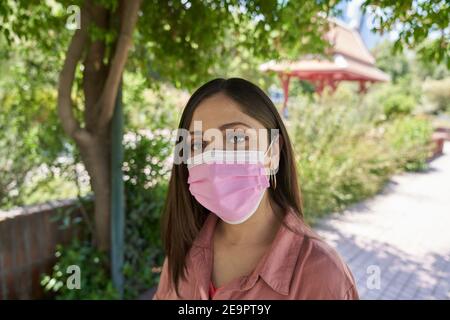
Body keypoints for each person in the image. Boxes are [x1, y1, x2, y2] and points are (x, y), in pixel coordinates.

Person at [153, 78, 359, 300]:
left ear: (273, 152)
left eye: (237, 138)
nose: (213, 159)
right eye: (197, 145)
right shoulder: (182, 252)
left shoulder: (322, 273)